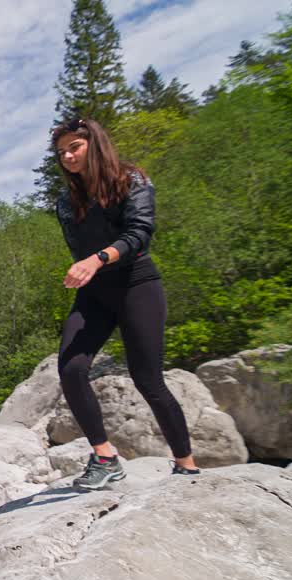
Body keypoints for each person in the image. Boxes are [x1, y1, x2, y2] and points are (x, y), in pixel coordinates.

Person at [51, 117, 199, 489]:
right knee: (71, 368)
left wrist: (96, 260)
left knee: (148, 379)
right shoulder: (66, 203)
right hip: (94, 294)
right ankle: (105, 456)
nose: (67, 156)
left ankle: (186, 464)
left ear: (94, 143)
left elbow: (140, 234)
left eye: (75, 147)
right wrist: (87, 268)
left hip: (137, 285)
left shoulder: (131, 180)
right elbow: (79, 247)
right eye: (61, 151)